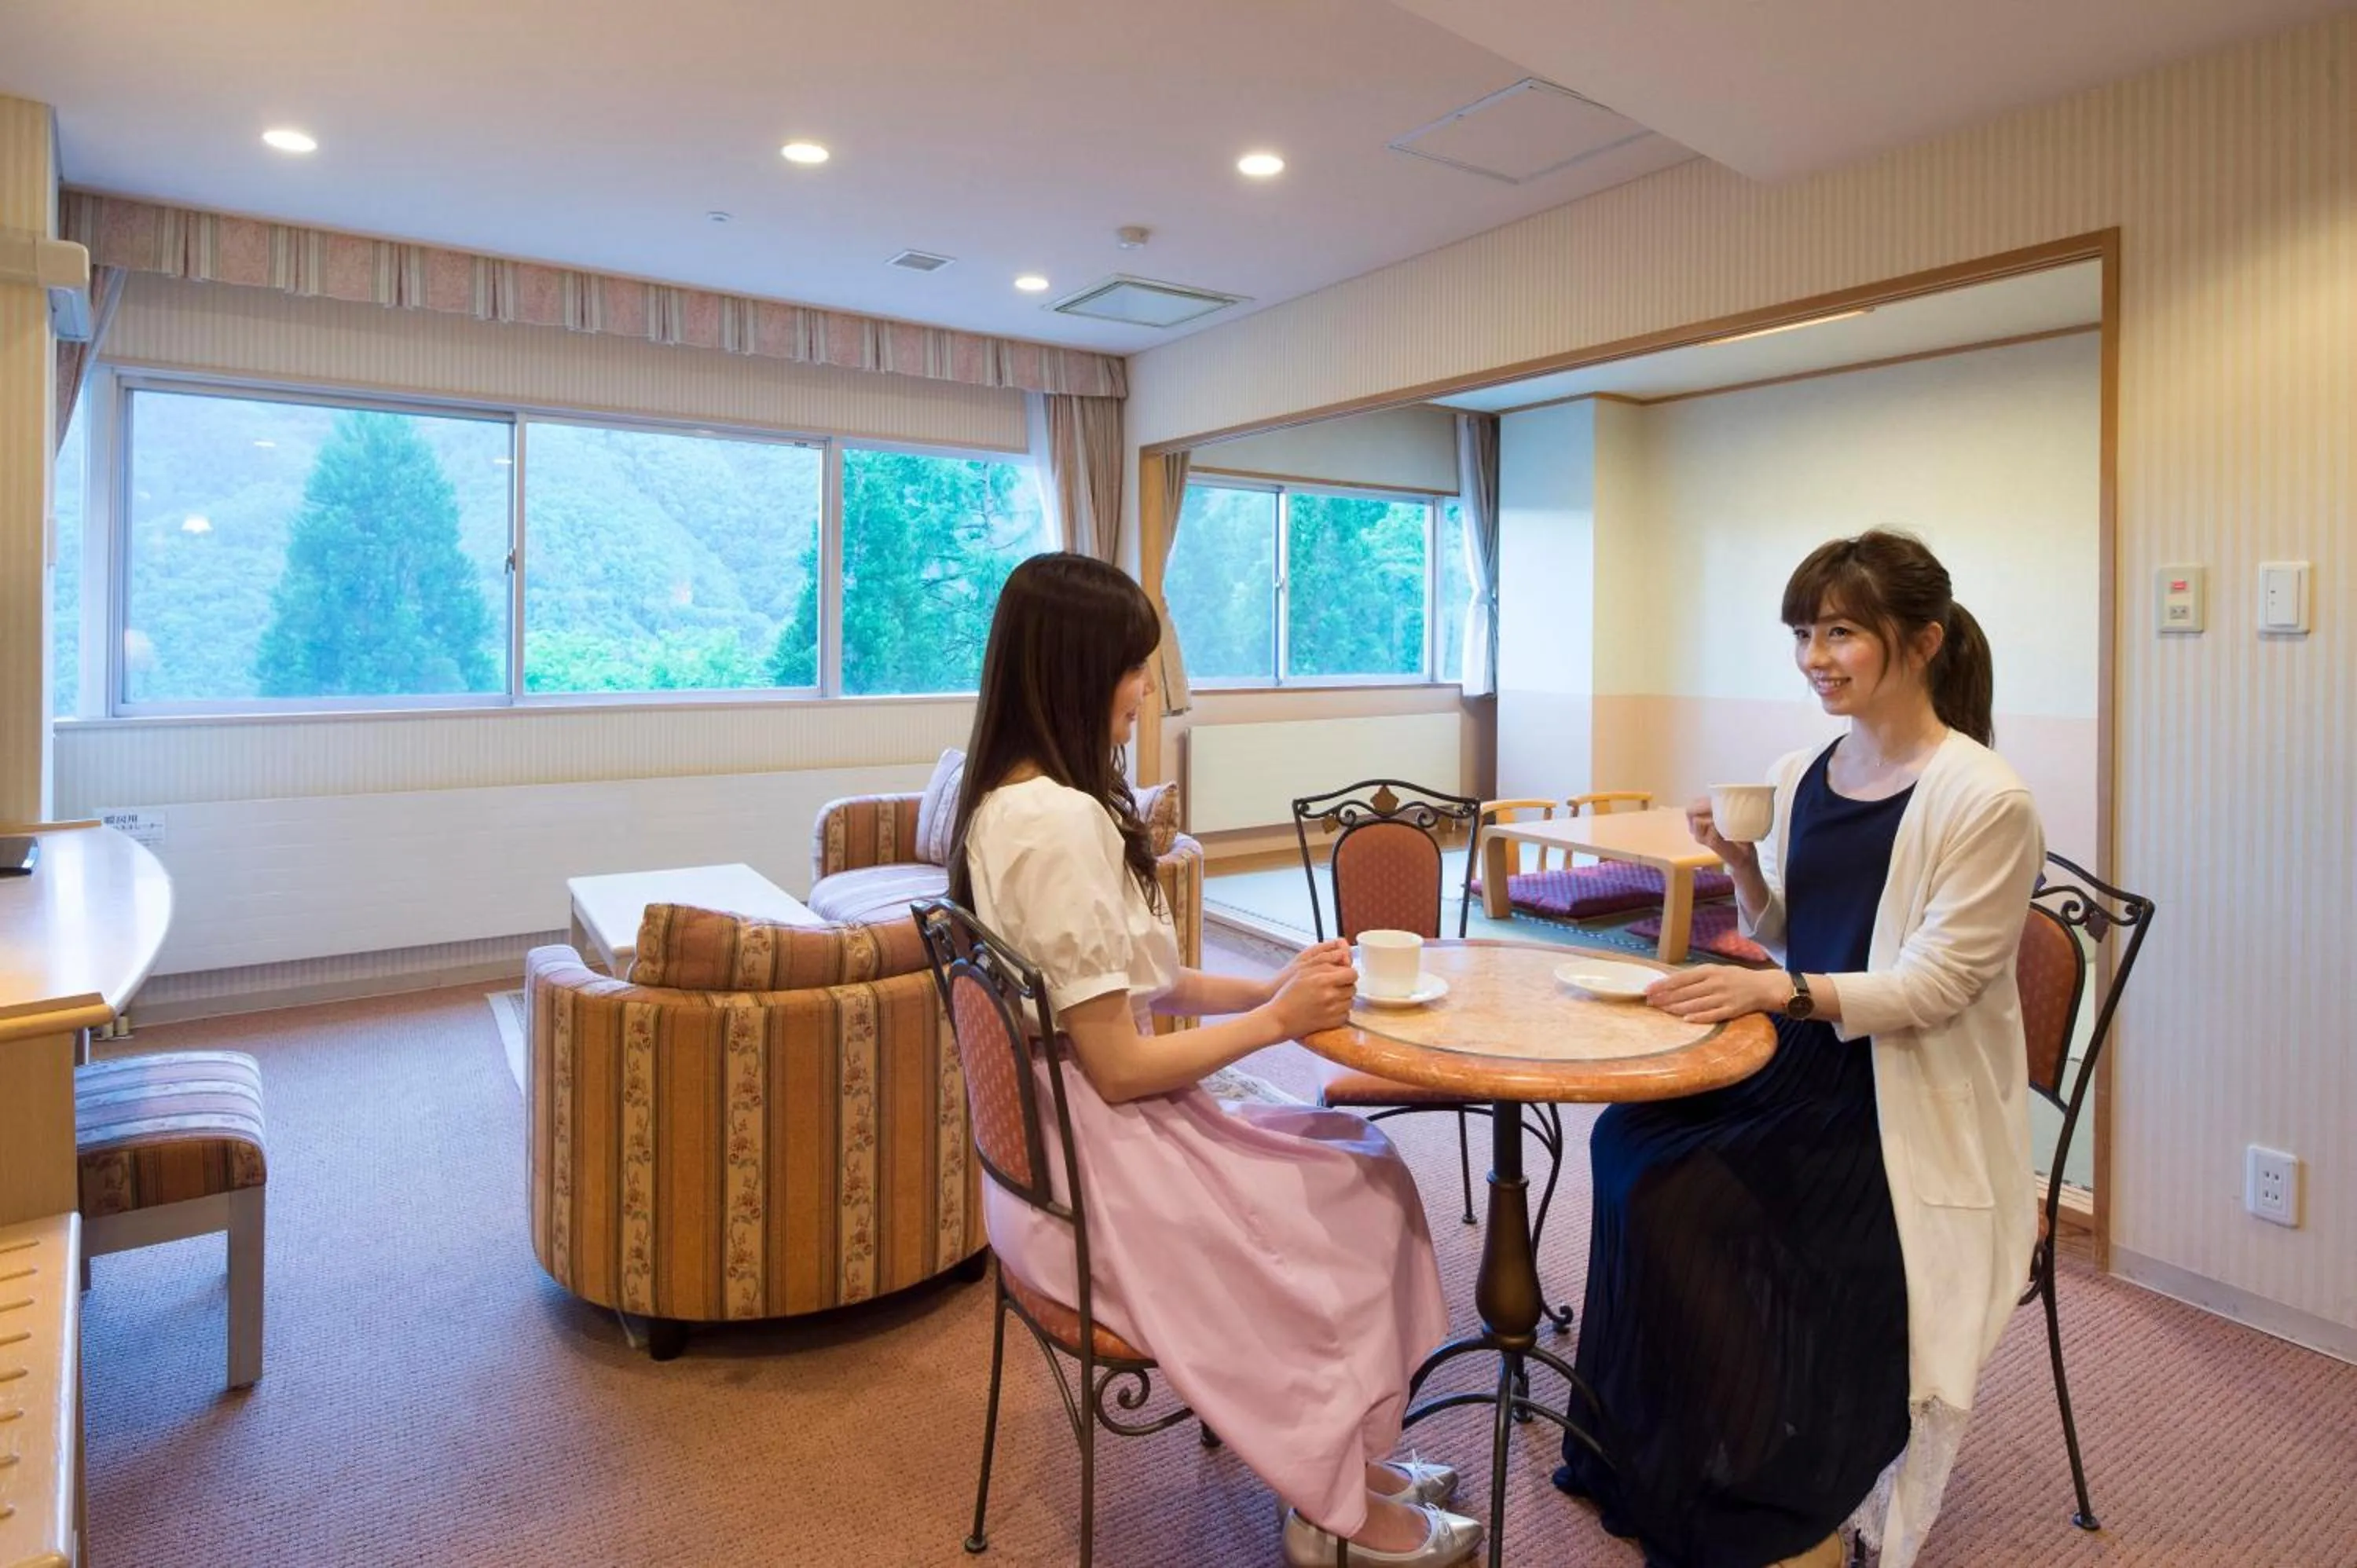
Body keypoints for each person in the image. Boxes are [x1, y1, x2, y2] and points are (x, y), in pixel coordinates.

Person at [948, 552, 1481, 1568]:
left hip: (1054, 1156)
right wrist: (1279, 1022)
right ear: (1075, 669)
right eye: (1133, 667)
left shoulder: (1005, 803)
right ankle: (1335, 1505)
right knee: (1352, 1187)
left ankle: (1338, 1460)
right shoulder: (1057, 824)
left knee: (1347, 1150)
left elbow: (1138, 984)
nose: (1146, 690)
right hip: (1094, 1173)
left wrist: (1281, 984)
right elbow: (1119, 1063)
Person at [1553, 529, 2044, 1568]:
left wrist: (1776, 991)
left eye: (1840, 633)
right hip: (1804, 1053)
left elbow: (1936, 986)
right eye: (1803, 635)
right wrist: (1740, 863)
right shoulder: (1806, 771)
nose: (1815, 658)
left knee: (1686, 1195)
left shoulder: (1984, 799)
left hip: (1898, 1090)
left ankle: (1783, 1482)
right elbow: (1792, 937)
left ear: (1923, 640)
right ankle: (1698, 1442)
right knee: (1629, 1142)